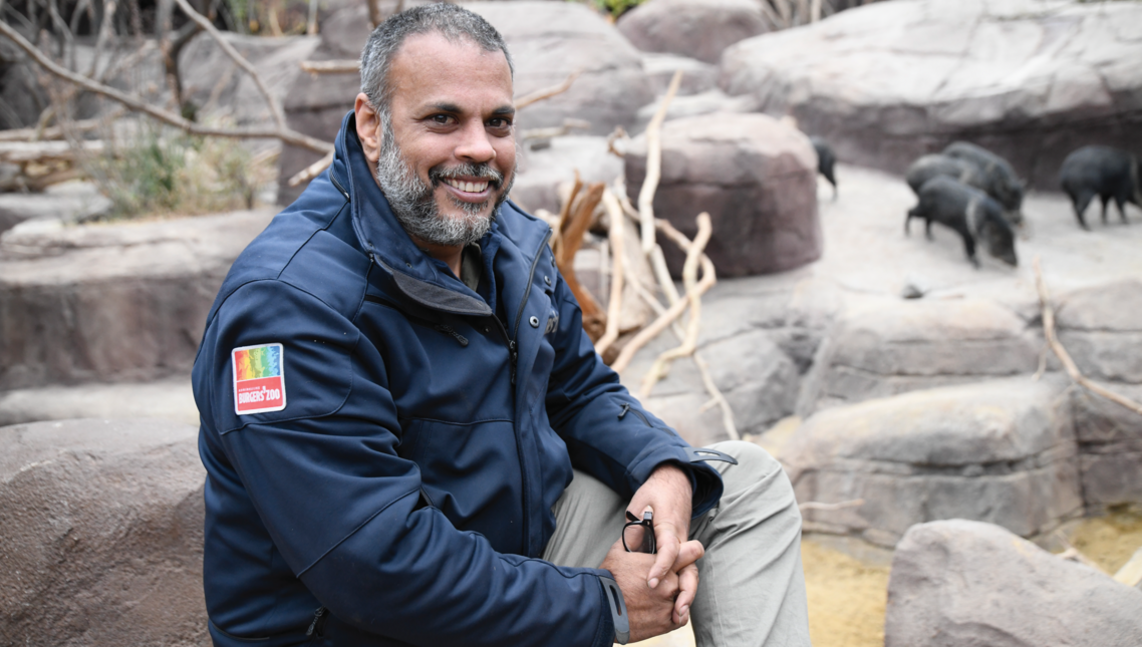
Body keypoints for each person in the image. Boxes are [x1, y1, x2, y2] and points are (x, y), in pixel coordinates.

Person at [191, 5, 810, 646]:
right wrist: (601, 607)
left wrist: (660, 466)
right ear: (371, 125)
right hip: (368, 621)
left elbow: (580, 390)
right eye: (443, 119)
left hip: (513, 554)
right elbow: (378, 565)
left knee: (738, 484)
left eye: (499, 122)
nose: (480, 149)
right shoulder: (288, 310)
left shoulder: (508, 240)